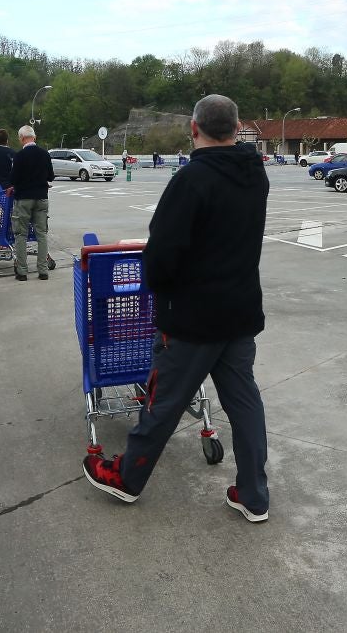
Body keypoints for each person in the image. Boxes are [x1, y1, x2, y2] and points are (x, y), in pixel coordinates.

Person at [83, 94, 271, 523]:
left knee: (162, 402)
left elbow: (162, 256)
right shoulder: (255, 174)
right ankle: (253, 494)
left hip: (192, 318)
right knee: (244, 402)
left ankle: (127, 477)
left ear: (193, 128)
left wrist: (162, 290)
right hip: (240, 310)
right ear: (237, 128)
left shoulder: (191, 180)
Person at [8, 125, 53, 281]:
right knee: (42, 234)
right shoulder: (45, 154)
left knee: (21, 234)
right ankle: (43, 271)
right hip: (41, 198)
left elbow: (13, 179)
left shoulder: (19, 156)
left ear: (21, 138)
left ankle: (22, 272)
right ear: (34, 137)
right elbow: (51, 176)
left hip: (24, 199)